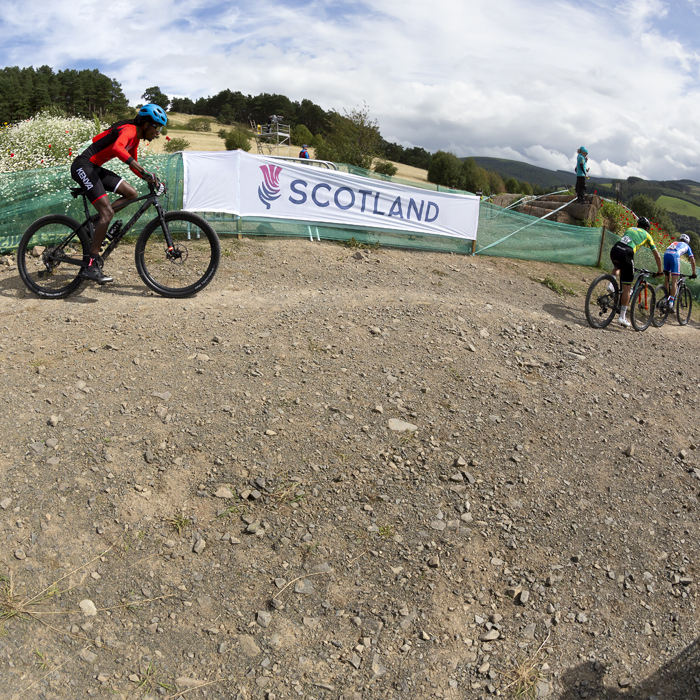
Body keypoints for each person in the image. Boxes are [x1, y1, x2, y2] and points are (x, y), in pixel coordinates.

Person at [70, 104, 168, 284]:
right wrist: (143, 171)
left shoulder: (135, 139)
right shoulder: (129, 130)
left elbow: (133, 165)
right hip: (82, 165)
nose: (158, 133)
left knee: (131, 193)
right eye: (157, 128)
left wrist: (152, 180)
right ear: (146, 124)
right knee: (107, 212)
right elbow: (117, 148)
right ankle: (90, 265)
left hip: (94, 167)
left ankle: (94, 222)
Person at [609, 216, 662, 327]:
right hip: (627, 253)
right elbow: (657, 255)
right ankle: (622, 317)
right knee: (627, 288)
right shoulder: (647, 235)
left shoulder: (630, 228)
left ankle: (611, 284)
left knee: (618, 267)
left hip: (615, 249)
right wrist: (660, 271)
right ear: (647, 228)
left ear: (637, 225)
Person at [662, 233, 697, 309]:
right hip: (674, 256)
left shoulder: (674, 242)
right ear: (687, 242)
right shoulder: (687, 246)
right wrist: (694, 273)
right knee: (675, 281)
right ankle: (671, 303)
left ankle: (665, 299)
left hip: (666, 254)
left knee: (667, 279)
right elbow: (692, 260)